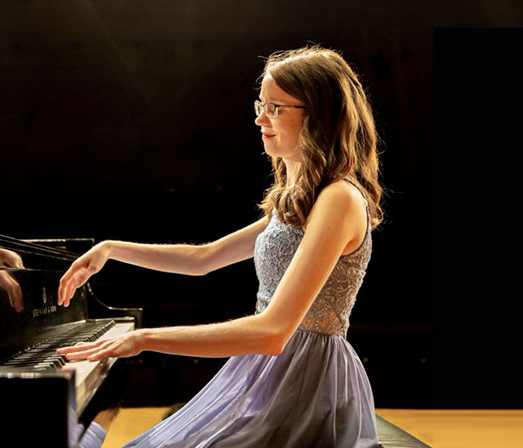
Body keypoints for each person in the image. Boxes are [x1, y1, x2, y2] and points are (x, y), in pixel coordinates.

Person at [57, 44, 384, 448]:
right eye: (260, 105)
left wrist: (142, 340)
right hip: (265, 371)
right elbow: (204, 258)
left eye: (276, 108)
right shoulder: (298, 196)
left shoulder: (339, 198)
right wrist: (111, 249)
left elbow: (273, 332)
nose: (261, 118)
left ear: (318, 115)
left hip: (304, 381)